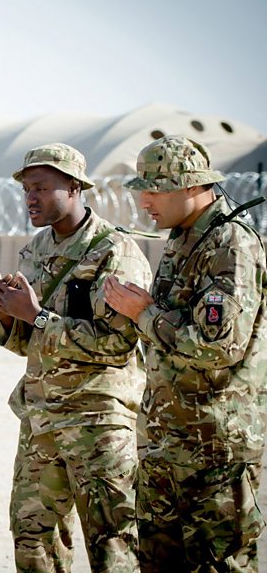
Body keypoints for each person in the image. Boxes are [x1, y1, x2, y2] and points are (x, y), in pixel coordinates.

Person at [104, 135, 267, 571]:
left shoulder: (230, 245)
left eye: (155, 191)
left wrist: (144, 313)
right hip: (169, 442)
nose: (145, 202)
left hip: (214, 453)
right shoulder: (184, 238)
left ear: (192, 185)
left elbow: (217, 346)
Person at [0, 143, 151, 572]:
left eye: (41, 188)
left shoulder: (114, 252)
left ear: (75, 187)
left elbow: (116, 343)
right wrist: (8, 313)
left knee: (112, 547)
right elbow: (26, 344)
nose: (31, 198)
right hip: (42, 422)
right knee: (33, 544)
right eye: (26, 189)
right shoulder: (36, 249)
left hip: (98, 424)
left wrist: (36, 316)